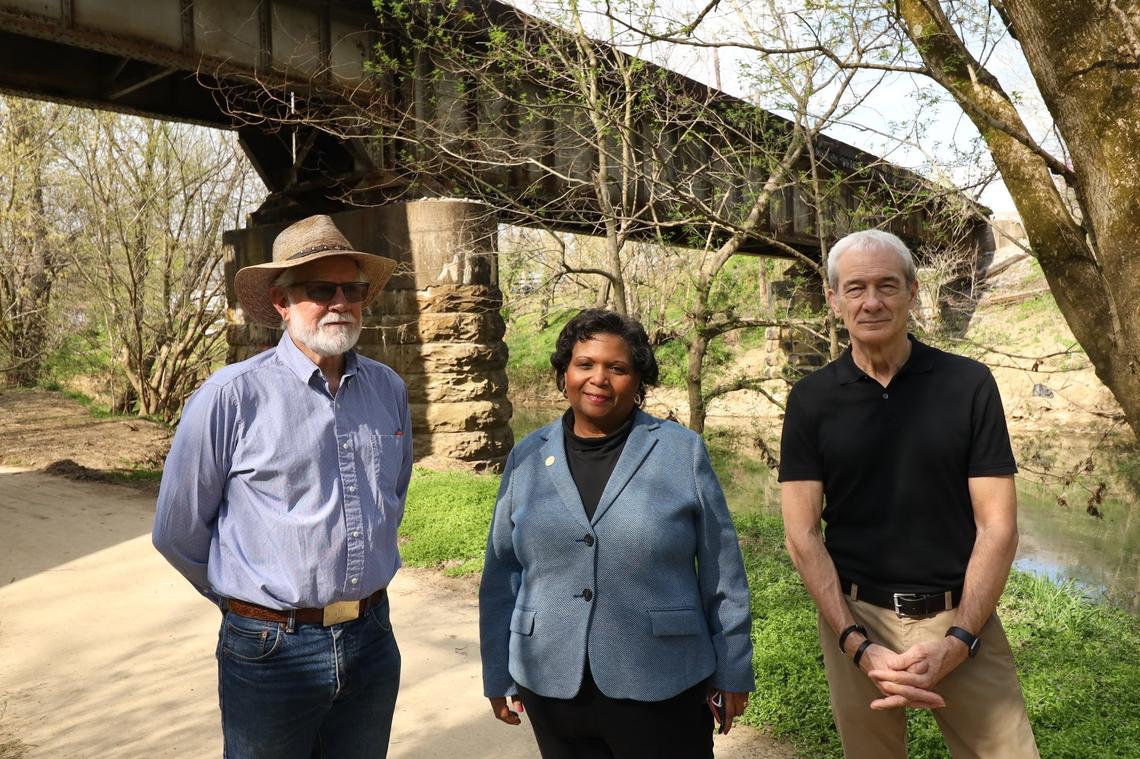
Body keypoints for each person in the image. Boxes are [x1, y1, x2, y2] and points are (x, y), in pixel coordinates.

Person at [152, 214, 411, 758]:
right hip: (270, 651)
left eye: (353, 288)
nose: (340, 301)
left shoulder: (388, 389)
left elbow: (393, 495)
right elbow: (177, 530)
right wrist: (248, 605)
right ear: (281, 302)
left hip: (371, 640)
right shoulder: (230, 397)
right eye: (320, 288)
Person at [779, 229, 1039, 757]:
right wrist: (857, 644)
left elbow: (998, 527)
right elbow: (802, 534)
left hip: (960, 614)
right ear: (833, 300)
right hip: (856, 621)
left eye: (886, 285)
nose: (871, 302)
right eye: (854, 288)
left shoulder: (968, 385)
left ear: (913, 292)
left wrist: (961, 640)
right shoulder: (810, 401)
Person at [479, 308, 755, 759]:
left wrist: (733, 668)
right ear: (565, 372)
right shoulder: (527, 457)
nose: (599, 379)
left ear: (638, 379)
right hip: (552, 683)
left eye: (617, 368)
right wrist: (497, 670)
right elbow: (502, 574)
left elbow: (722, 570)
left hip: (663, 681)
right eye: (585, 364)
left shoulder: (680, 452)